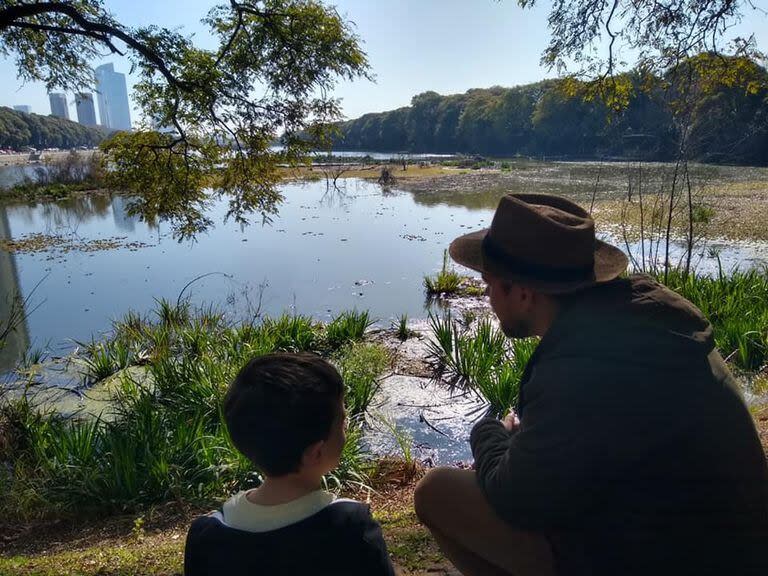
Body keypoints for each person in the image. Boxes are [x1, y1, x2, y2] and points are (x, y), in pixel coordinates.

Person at [414, 193, 768, 576]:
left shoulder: (577, 369)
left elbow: (515, 498)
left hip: (677, 557)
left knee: (437, 493)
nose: (486, 297)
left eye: (489, 284)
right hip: (729, 547)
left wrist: (490, 432)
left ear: (522, 292)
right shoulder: (645, 318)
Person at [184, 352, 395, 576]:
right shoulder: (351, 526)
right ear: (316, 452)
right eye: (343, 421)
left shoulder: (207, 533)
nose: (346, 429)